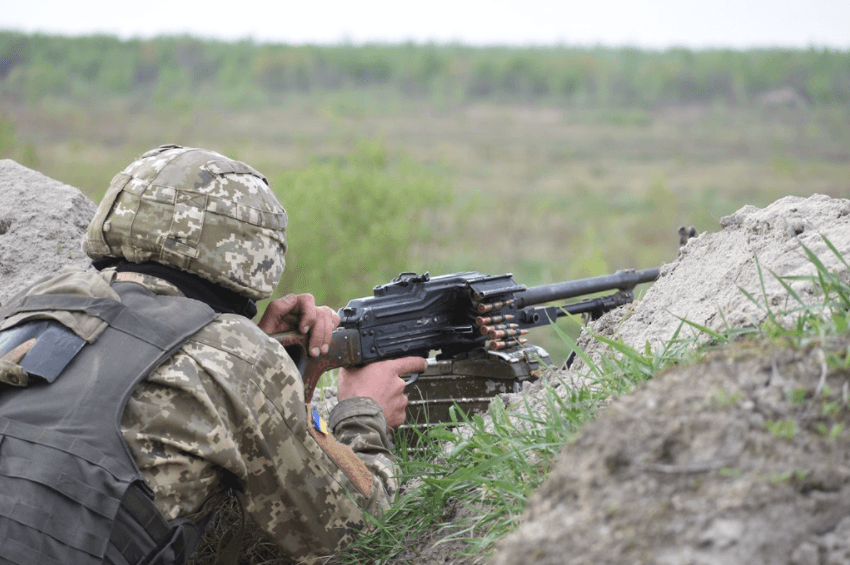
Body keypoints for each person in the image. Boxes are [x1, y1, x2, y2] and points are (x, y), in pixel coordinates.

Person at [0, 144, 426, 564]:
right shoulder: (236, 356)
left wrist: (251, 364)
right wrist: (362, 411)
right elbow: (357, 533)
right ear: (249, 253)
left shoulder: (32, 305)